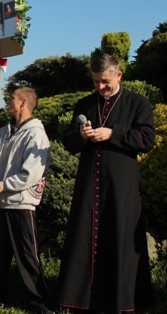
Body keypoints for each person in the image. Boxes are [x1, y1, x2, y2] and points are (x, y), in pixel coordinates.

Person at [58, 54, 156, 314]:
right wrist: (82, 136)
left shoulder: (138, 103)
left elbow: (147, 139)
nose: (100, 87)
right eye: (95, 82)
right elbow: (68, 143)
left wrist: (113, 133)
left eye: (105, 82)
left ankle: (121, 301)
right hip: (89, 185)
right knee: (84, 239)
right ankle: (81, 300)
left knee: (119, 239)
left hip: (120, 188)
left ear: (119, 76)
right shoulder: (84, 104)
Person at [0, 87, 54, 314]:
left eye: (12, 98)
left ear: (23, 102)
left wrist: (4, 185)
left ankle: (40, 302)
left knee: (27, 255)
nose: (8, 101)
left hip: (21, 203)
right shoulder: (5, 131)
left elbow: (32, 173)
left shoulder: (36, 134)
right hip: (0, 203)